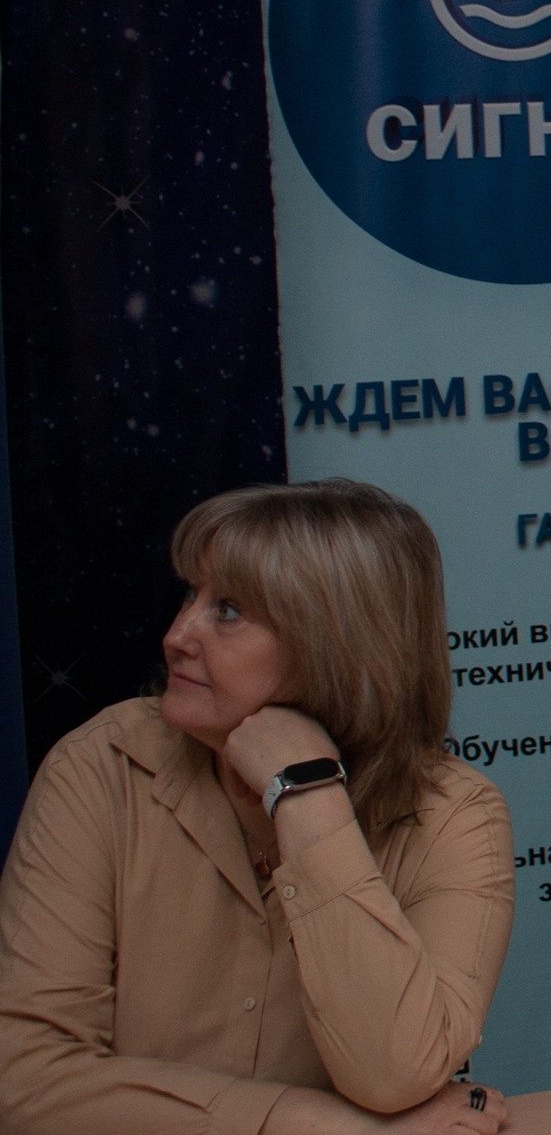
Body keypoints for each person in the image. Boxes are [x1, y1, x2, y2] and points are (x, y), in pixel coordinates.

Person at [0, 480, 517, 1135]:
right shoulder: (101, 768)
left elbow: (395, 1073)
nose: (176, 635)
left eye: (229, 610)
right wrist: (319, 1125)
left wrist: (305, 792)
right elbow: (24, 1078)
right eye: (191, 595)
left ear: (340, 644)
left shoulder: (457, 816)